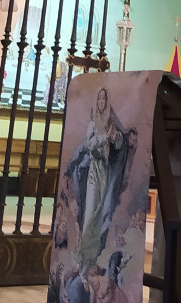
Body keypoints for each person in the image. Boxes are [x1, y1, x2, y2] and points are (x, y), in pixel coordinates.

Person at [65, 88, 137, 272]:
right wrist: (104, 137)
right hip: (93, 173)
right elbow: (90, 145)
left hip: (106, 172)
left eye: (105, 99)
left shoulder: (112, 124)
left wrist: (116, 138)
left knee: (100, 217)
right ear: (97, 102)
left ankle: (91, 259)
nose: (102, 102)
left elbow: (120, 144)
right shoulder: (93, 125)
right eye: (99, 98)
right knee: (90, 215)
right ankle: (82, 258)